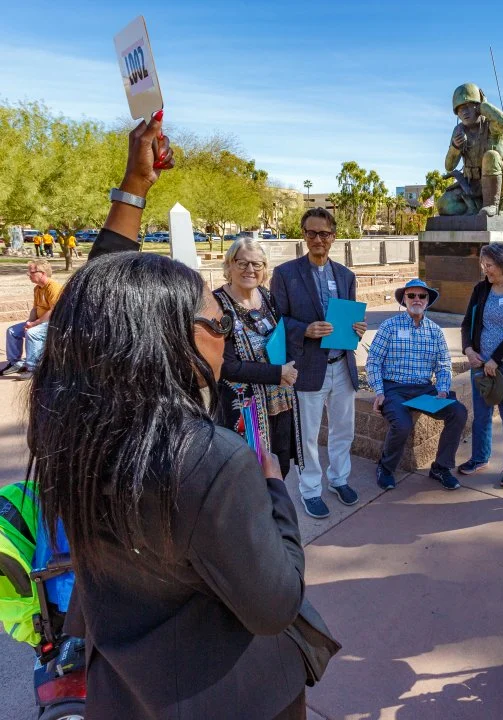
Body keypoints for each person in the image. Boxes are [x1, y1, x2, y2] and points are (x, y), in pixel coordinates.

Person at [41, 114, 337, 720]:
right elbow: (275, 603)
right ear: (170, 341)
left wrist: (133, 188)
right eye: (215, 324)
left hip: (126, 689)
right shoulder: (210, 461)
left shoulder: (69, 425)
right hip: (237, 697)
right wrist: (276, 492)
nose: (225, 333)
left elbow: (91, 309)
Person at [270, 207, 366, 519]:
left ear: (334, 237)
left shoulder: (346, 276)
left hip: (342, 365)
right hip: (308, 367)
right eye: (311, 233)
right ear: (304, 235)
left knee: (343, 430)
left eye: (324, 233)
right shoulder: (285, 275)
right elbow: (277, 320)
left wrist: (357, 328)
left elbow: (350, 317)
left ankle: (339, 479)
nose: (317, 239)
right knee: (307, 435)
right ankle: (310, 489)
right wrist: (304, 330)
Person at [366, 279, 468, 491]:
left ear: (428, 300)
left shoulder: (435, 331)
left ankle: (440, 467)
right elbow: (373, 360)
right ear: (404, 299)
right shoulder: (389, 326)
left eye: (422, 296)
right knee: (402, 424)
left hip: (424, 390)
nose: (417, 300)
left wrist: (442, 388)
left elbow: (443, 364)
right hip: (394, 388)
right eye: (411, 295)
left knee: (458, 412)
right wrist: (379, 391)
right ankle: (385, 468)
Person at [213, 238, 303, 479]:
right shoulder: (216, 305)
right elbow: (226, 365)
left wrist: (290, 366)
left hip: (279, 401)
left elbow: (281, 334)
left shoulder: (266, 296)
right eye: (242, 263)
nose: (250, 270)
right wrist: (278, 373)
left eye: (257, 264)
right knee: (251, 472)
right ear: (229, 266)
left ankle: (277, 512)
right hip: (244, 407)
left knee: (279, 465)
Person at [458, 243, 503, 488]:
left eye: (488, 265)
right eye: (483, 264)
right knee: (481, 415)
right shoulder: (481, 289)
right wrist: (469, 350)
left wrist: (495, 359)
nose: (485, 269)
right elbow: (467, 323)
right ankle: (479, 457)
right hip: (480, 365)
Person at [437, 83, 503, 217]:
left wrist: (484, 106)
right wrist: (455, 147)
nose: (464, 112)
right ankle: (475, 207)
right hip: (471, 185)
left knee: (491, 155)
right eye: (460, 110)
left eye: (467, 107)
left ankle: (491, 205)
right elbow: (449, 166)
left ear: (477, 106)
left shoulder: (490, 124)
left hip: (494, 186)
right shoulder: (459, 131)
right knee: (444, 205)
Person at [0, 259, 62, 380]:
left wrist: (34, 324)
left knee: (32, 333)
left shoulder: (53, 287)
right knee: (12, 331)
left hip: (54, 322)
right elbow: (35, 309)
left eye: (31, 272)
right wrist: (29, 322)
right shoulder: (37, 289)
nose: (29, 275)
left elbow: (53, 311)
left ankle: (34, 368)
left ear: (42, 273)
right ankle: (15, 363)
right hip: (40, 321)